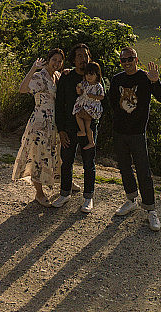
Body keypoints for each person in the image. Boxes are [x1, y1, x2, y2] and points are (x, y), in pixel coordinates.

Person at [109, 47, 161, 231]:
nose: (126, 63)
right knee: (124, 168)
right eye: (123, 60)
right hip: (120, 132)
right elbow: (111, 103)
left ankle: (151, 210)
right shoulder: (117, 79)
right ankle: (131, 199)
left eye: (130, 59)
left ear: (136, 59)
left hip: (137, 133)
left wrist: (156, 82)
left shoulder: (145, 78)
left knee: (143, 171)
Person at [12, 48, 65, 207]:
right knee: (37, 157)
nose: (56, 63)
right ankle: (39, 193)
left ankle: (63, 184)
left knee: (54, 155)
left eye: (59, 61)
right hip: (40, 122)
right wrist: (34, 68)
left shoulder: (57, 76)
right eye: (54, 59)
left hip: (54, 122)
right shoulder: (39, 76)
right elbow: (22, 89)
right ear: (48, 59)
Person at [52, 43, 98, 213]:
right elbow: (60, 104)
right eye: (79, 56)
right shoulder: (67, 78)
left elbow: (103, 99)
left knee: (88, 163)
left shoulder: (95, 76)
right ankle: (65, 193)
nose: (83, 59)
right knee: (67, 161)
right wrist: (61, 129)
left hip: (88, 128)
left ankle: (88, 197)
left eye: (86, 56)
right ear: (73, 59)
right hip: (69, 128)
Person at [72, 61, 105, 149]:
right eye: (87, 74)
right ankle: (85, 134)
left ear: (97, 75)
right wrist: (79, 90)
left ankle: (89, 139)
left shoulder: (98, 86)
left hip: (92, 106)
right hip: (83, 103)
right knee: (80, 117)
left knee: (86, 122)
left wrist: (94, 96)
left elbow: (102, 96)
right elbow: (80, 93)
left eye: (92, 74)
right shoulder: (84, 83)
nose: (89, 77)